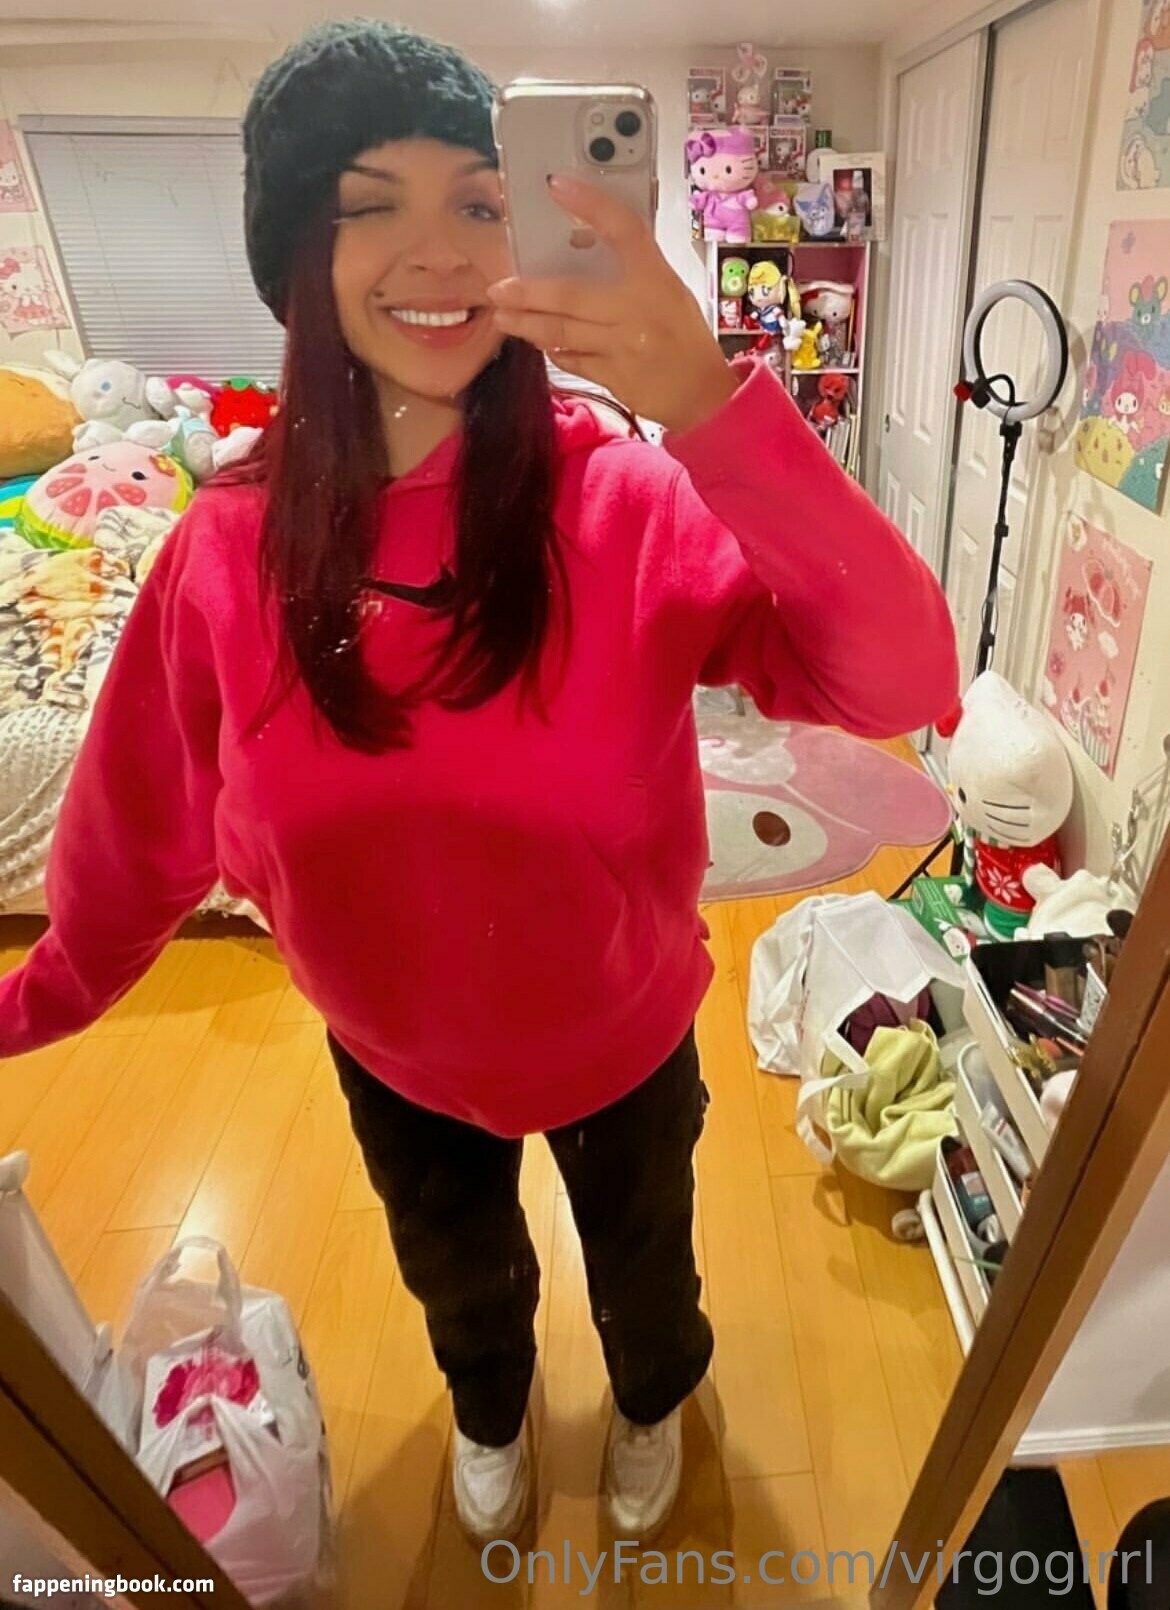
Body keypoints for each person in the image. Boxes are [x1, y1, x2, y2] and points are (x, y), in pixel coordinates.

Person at [0, 20, 958, 1543]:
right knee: (460, 1285)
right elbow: (133, 833)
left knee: (648, 1274)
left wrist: (710, 408)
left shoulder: (627, 498)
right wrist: (29, 1006)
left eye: (479, 200)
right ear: (298, 256)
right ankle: (494, 1412)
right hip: (397, 1061)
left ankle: (653, 1399)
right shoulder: (224, 550)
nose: (434, 250)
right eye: (368, 204)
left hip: (626, 1035)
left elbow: (899, 684)